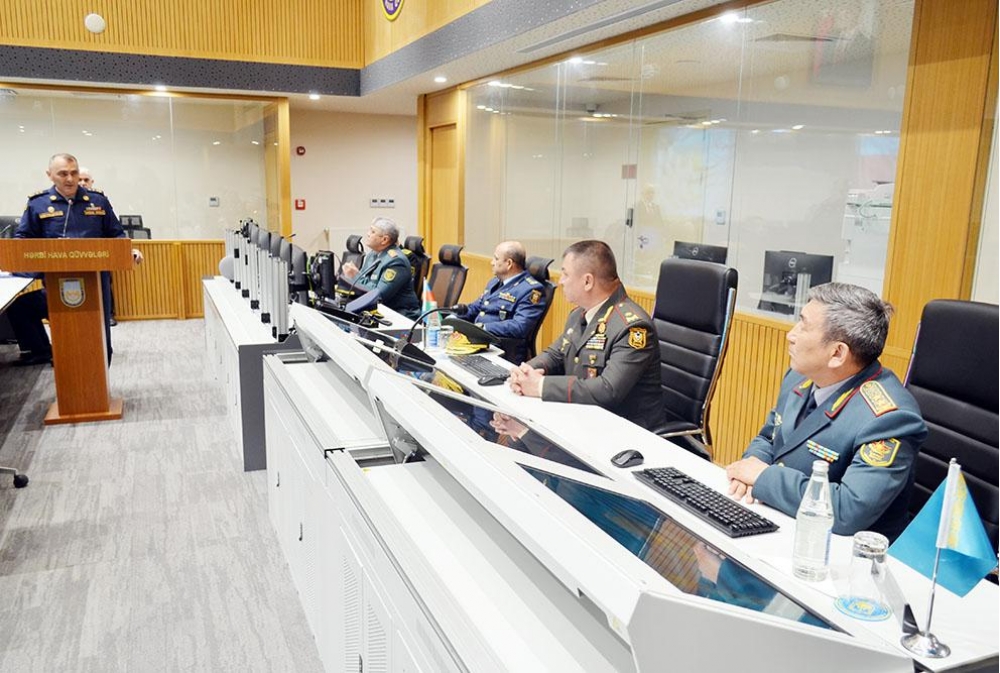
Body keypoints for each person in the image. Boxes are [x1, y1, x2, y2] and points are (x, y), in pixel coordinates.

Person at [725, 283, 926, 541]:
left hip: (846, 552)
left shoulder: (889, 419)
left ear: (837, 353)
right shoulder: (799, 376)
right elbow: (769, 437)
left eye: (803, 326)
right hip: (783, 522)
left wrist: (764, 477)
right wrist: (751, 467)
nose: (791, 335)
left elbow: (848, 510)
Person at [508, 239, 663, 431]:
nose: (560, 281)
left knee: (523, 440)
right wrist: (524, 373)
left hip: (624, 432)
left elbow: (608, 389)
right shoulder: (579, 314)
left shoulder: (632, 327)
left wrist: (540, 386)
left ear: (587, 281)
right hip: (582, 418)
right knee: (515, 439)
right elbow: (555, 355)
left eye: (565, 274)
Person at [10, 153, 143, 365]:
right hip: (56, 284)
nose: (70, 179)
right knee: (69, 341)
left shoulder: (98, 201)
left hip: (96, 284)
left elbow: (116, 235)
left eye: (74, 173)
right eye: (63, 174)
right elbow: (22, 241)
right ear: (50, 175)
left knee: (100, 343)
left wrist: (128, 250)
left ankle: (100, 383)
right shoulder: (38, 204)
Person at [453, 241, 548, 364]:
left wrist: (483, 328)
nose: (491, 262)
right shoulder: (495, 282)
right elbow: (476, 308)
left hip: (501, 351)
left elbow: (519, 326)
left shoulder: (531, 290)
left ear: (509, 263)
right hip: (479, 345)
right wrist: (452, 317)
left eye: (496, 258)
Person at [340, 217, 420, 320]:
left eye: (373, 232)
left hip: (400, 316)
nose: (368, 234)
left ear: (385, 240)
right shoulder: (372, 255)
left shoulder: (396, 261)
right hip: (378, 313)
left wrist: (355, 276)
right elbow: (364, 284)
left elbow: (377, 296)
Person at [77, 166, 118, 326]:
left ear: (92, 182)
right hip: (72, 255)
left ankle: (108, 314)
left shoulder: (100, 201)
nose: (82, 183)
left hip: (99, 253)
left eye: (86, 180)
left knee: (104, 283)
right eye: (79, 179)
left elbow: (113, 230)